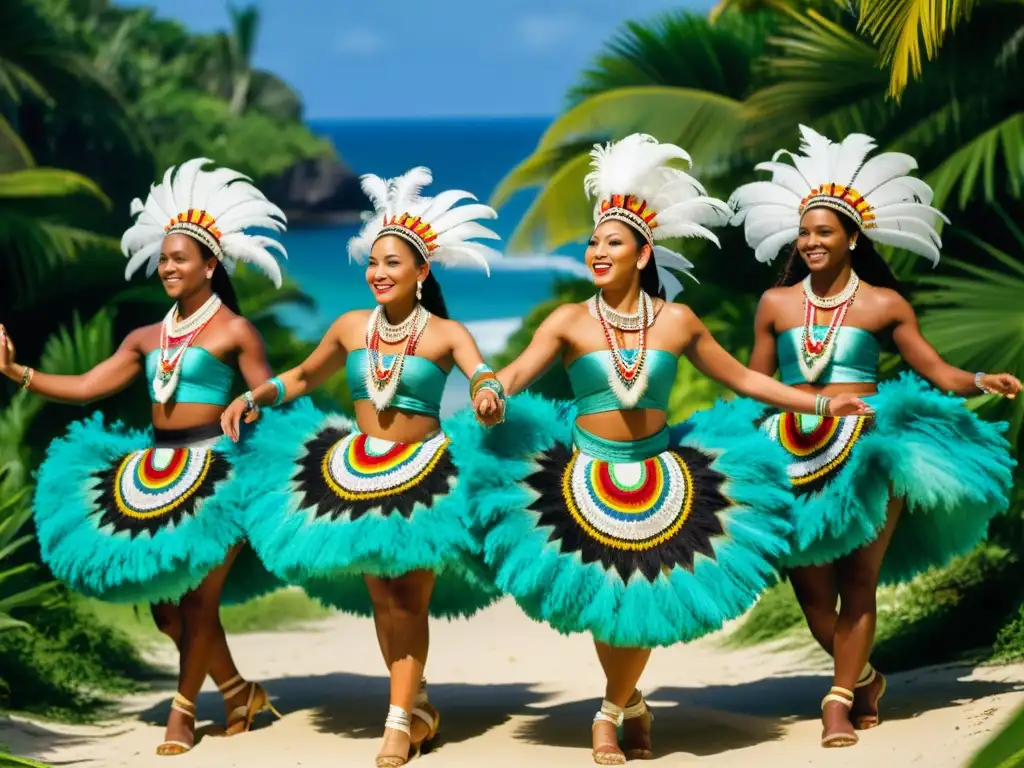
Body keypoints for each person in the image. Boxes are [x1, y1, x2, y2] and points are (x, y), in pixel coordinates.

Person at [456, 133, 873, 765]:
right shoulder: (567, 320)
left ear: (643, 252)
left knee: (641, 605)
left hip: (662, 474)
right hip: (584, 474)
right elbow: (511, 376)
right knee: (605, 608)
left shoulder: (676, 321)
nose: (597, 251)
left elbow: (745, 378)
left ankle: (611, 711)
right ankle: (627, 704)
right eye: (593, 242)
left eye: (612, 242)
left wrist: (821, 403)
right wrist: (488, 391)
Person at [726, 125, 1019, 747]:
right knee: (810, 590)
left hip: (869, 449)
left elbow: (934, 371)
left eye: (823, 232)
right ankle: (863, 678)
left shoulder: (885, 304)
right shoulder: (774, 305)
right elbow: (754, 381)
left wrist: (979, 379)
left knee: (858, 581)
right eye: (804, 232)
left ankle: (836, 701)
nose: (810, 242)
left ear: (852, 238)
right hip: (788, 454)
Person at [0, 158, 289, 756]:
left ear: (211, 265)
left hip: (220, 471)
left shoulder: (236, 331)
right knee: (164, 607)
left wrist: (249, 406)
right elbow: (86, 385)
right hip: (157, 470)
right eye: (163, 259)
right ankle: (238, 692)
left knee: (198, 600)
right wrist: (17, 372)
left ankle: (183, 715)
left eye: (180, 258)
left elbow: (266, 396)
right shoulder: (145, 338)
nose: (167, 267)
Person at [220, 166, 506, 768]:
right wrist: (252, 397)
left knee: (411, 599)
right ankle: (417, 702)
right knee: (382, 598)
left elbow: (481, 373)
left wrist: (485, 393)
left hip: (427, 475)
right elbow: (301, 376)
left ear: (421, 272)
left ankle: (398, 722)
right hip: (356, 471)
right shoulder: (351, 327)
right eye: (373, 262)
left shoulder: (447, 333)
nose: (378, 272)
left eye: (393, 263)